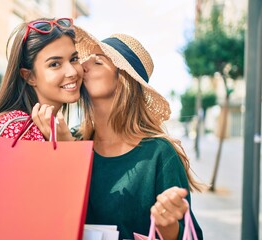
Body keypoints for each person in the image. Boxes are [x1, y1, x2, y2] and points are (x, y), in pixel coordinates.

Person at [73, 26, 204, 240]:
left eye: (97, 61)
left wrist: (168, 225)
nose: (82, 65)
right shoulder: (71, 142)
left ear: (122, 81)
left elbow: (190, 236)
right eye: (86, 58)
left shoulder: (160, 154)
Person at [0, 18, 83, 141]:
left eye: (74, 59)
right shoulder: (16, 128)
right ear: (29, 76)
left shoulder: (53, 129)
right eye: (55, 64)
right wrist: (66, 147)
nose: (72, 72)